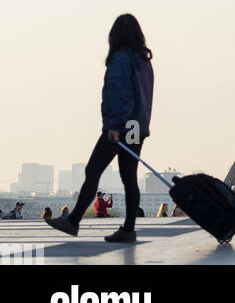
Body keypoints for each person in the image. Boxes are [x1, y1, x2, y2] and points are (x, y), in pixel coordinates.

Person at [45, 13, 154, 245]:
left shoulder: (121, 59)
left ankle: (73, 221)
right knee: (129, 178)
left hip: (121, 125)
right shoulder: (143, 60)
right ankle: (128, 229)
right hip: (136, 125)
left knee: (92, 171)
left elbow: (119, 93)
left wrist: (114, 125)